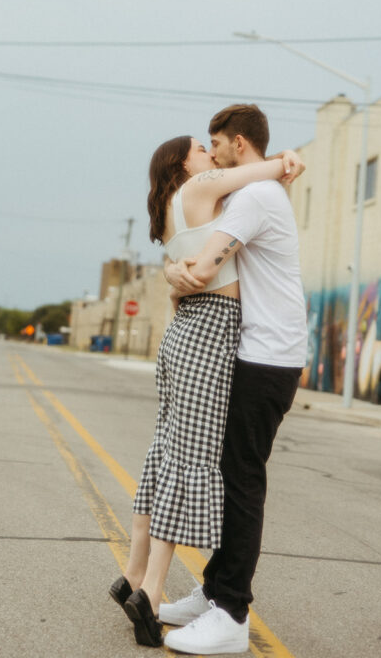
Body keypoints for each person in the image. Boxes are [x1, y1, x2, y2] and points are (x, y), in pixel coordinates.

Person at [109, 133, 304, 648]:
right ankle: (149, 591)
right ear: (182, 162)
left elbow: (182, 276)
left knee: (167, 451)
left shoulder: (175, 206)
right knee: (191, 460)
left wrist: (175, 275)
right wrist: (285, 160)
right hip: (210, 332)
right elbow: (253, 174)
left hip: (185, 331)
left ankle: (135, 574)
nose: (209, 154)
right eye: (200, 146)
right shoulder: (200, 188)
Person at [160, 104, 308, 656]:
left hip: (268, 357)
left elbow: (199, 270)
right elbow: (200, 268)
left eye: (216, 145)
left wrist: (176, 276)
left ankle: (232, 615)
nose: (212, 155)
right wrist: (180, 274)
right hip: (265, 352)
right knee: (233, 474)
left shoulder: (255, 198)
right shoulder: (256, 191)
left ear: (238, 143)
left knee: (243, 481)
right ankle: (214, 592)